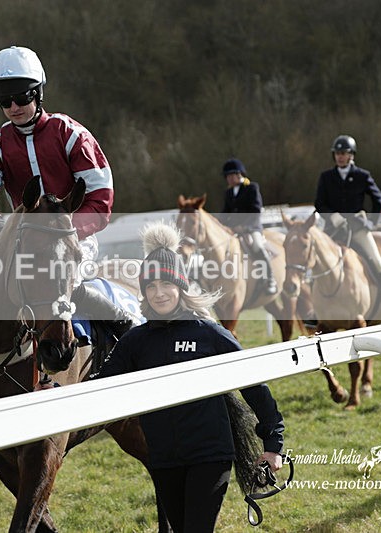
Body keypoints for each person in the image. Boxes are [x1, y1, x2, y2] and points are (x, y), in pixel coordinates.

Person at [95, 223, 285, 533]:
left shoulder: (209, 334)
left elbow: (255, 386)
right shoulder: (135, 342)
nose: (159, 293)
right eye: (151, 287)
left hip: (210, 455)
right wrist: (57, 391)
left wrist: (273, 443)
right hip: (163, 458)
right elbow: (101, 387)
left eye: (166, 285)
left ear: (181, 286)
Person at [0, 45, 134, 337]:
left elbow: (101, 199)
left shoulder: (72, 134)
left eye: (21, 97)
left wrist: (65, 231)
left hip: (72, 239)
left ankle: (126, 328)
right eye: (5, 101)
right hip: (22, 240)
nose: (14, 107)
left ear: (38, 93)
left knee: (72, 284)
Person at [314, 135, 381, 320]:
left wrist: (371, 223)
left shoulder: (362, 175)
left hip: (357, 229)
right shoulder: (326, 177)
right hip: (334, 229)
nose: (340, 157)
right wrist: (333, 216)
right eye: (337, 153)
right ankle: (312, 308)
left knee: (376, 261)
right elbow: (319, 203)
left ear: (351, 155)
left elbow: (377, 199)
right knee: (315, 262)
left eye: (344, 153)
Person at [218, 158, 277, 295]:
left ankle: (270, 279)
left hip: (251, 228)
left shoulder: (252, 188)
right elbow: (225, 213)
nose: (228, 179)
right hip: (233, 230)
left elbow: (256, 210)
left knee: (257, 246)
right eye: (227, 176)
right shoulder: (228, 193)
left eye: (230, 175)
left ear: (239, 174)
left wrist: (244, 227)